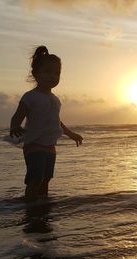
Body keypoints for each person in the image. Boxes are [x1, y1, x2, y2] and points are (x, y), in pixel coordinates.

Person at [10, 45, 83, 201]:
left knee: (47, 178)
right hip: (34, 143)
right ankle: (29, 206)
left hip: (50, 146)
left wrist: (70, 134)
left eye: (57, 73)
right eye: (48, 72)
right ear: (36, 74)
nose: (53, 76)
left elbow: (56, 121)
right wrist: (15, 126)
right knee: (35, 177)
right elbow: (18, 116)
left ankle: (42, 204)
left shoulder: (55, 99)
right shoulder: (30, 96)